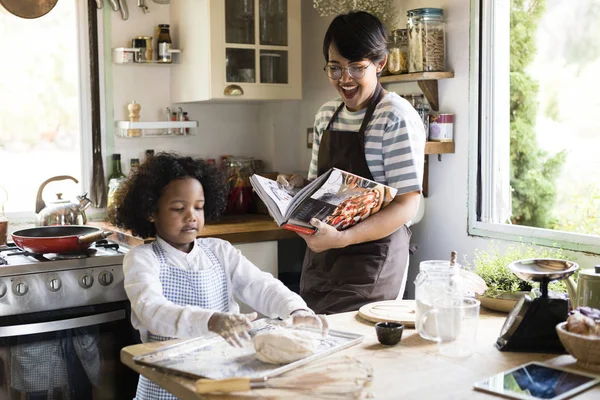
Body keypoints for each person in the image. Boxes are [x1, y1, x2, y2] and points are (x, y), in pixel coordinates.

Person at [111, 152, 327, 400]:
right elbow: (152, 311)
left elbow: (261, 286)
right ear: (151, 211)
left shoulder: (219, 250)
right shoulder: (142, 258)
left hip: (221, 377)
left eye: (198, 207)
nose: (191, 216)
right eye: (178, 208)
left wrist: (296, 310)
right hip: (165, 383)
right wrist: (212, 321)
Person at [279, 11, 426, 314]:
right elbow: (319, 190)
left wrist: (343, 238)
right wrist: (295, 188)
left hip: (372, 263)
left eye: (356, 68)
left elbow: (407, 204)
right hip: (324, 258)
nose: (345, 79)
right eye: (335, 68)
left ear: (380, 63)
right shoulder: (326, 115)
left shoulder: (395, 117)